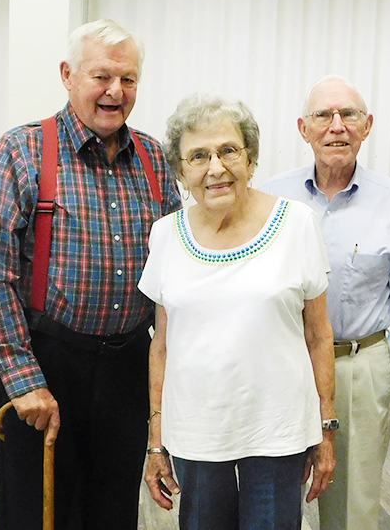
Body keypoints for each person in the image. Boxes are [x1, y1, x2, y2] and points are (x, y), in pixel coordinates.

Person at [0, 20, 182, 529]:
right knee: (35, 515)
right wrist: (23, 381)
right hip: (48, 367)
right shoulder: (22, 151)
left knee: (112, 514)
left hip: (128, 367)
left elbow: (178, 271)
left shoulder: (153, 158)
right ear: (67, 75)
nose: (115, 91)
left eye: (128, 79)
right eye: (101, 76)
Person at [140, 93, 336, 529]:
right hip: (195, 432)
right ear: (181, 171)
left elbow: (319, 335)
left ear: (250, 158)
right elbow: (163, 347)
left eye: (229, 150)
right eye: (198, 156)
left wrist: (326, 427)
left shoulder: (297, 223)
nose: (216, 167)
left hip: (277, 431)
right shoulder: (166, 235)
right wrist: (156, 441)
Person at [259, 75, 390, 530]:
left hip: (360, 370)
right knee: (271, 500)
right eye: (323, 115)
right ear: (304, 129)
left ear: (367, 125)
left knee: (351, 509)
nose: (336, 126)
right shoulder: (270, 198)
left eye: (349, 115)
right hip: (283, 366)